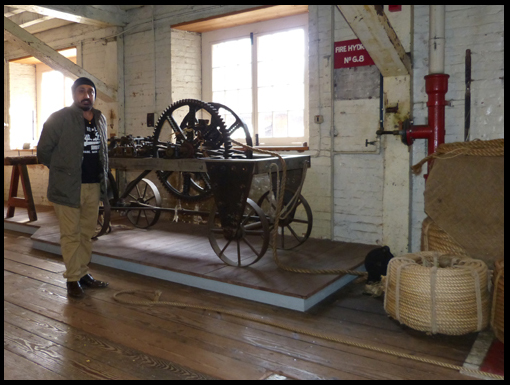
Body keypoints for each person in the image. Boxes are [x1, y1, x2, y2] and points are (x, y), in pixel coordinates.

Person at [37, 77, 110, 298]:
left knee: (87, 234)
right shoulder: (59, 119)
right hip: (68, 187)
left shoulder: (100, 119)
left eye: (91, 91)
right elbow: (44, 152)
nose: (86, 95)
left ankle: (83, 273)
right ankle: (71, 280)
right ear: (73, 94)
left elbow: (103, 154)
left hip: (93, 186)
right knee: (70, 234)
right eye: (81, 91)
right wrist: (63, 172)